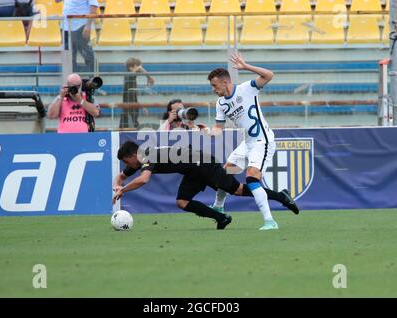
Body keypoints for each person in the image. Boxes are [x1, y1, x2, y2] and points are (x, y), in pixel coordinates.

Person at [112, 141, 299, 230]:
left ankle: (281, 197)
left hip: (204, 164)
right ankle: (221, 218)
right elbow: (120, 177)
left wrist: (123, 190)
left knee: (239, 190)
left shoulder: (148, 155)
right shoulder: (139, 159)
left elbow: (144, 179)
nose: (128, 167)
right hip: (192, 170)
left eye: (127, 162)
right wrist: (117, 185)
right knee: (182, 202)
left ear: (132, 156)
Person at [206, 53, 288, 231]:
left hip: (262, 140)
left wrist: (246, 66)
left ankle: (270, 221)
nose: (213, 89)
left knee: (251, 178)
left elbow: (269, 75)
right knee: (225, 174)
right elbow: (218, 129)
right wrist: (207, 131)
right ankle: (218, 206)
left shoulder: (246, 88)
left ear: (225, 82)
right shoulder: (220, 103)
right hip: (247, 143)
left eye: (214, 85)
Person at [57, 0, 98, 73]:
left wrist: (88, 25)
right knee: (69, 56)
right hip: (66, 27)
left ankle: (92, 79)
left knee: (86, 54)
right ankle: (72, 79)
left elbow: (94, 7)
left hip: (80, 26)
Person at [119, 58, 155, 129]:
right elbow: (140, 68)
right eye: (138, 67)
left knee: (130, 124)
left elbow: (133, 96)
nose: (140, 71)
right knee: (128, 125)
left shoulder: (130, 76)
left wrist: (141, 107)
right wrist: (149, 77)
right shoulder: (129, 76)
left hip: (131, 107)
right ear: (134, 66)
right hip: (129, 108)